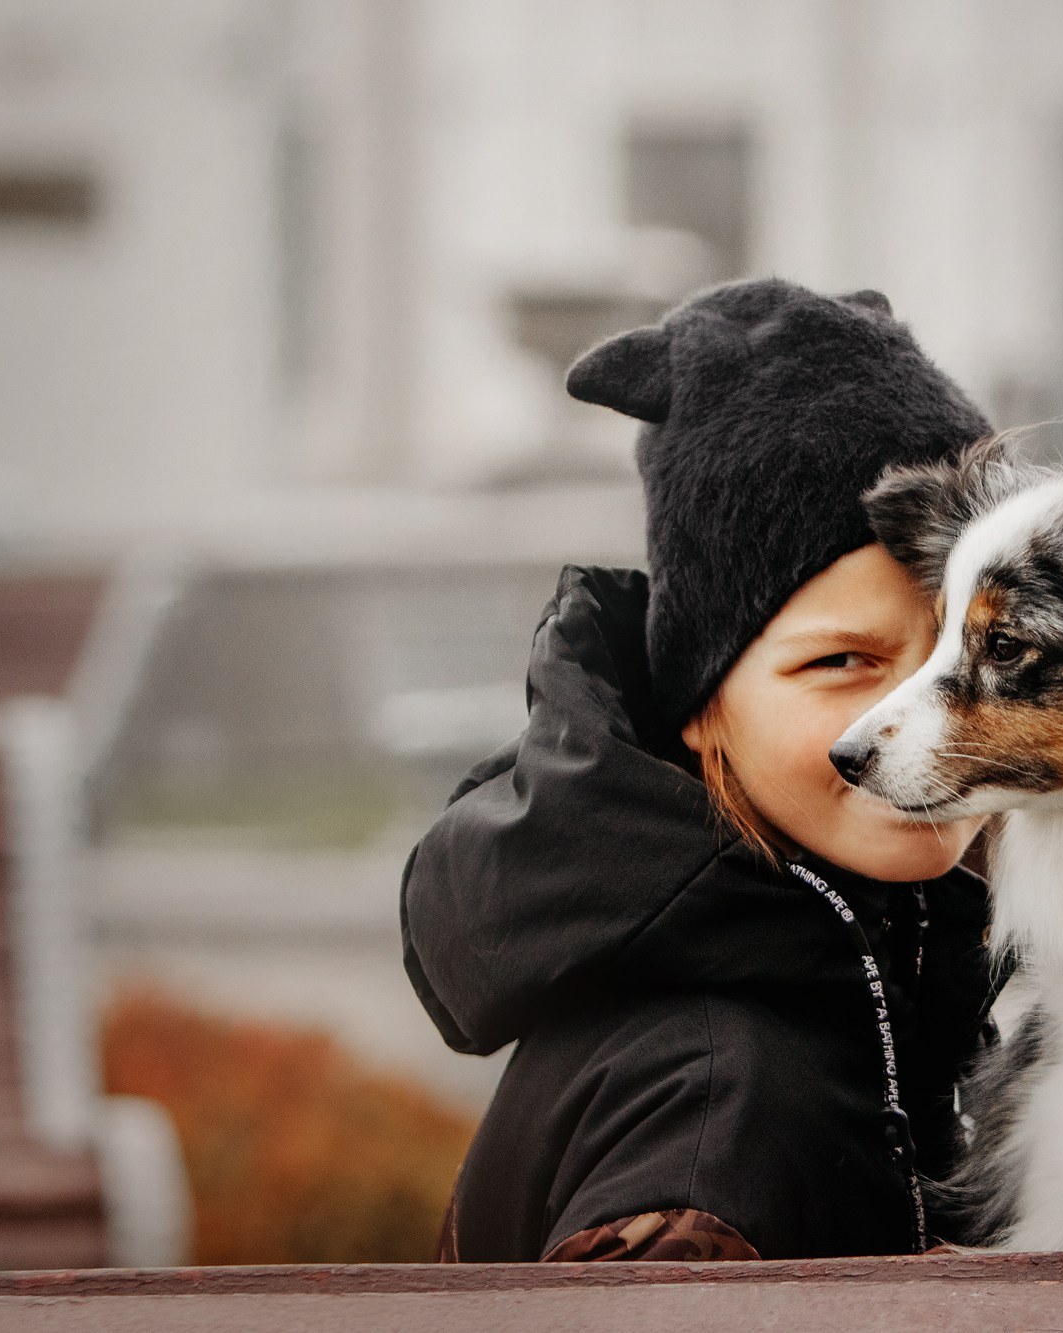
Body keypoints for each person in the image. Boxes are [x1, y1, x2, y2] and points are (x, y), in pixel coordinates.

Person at [401, 279, 1003, 1263]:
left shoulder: (854, 956)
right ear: (701, 700)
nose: (928, 719)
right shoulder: (710, 1112)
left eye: (963, 651)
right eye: (842, 661)